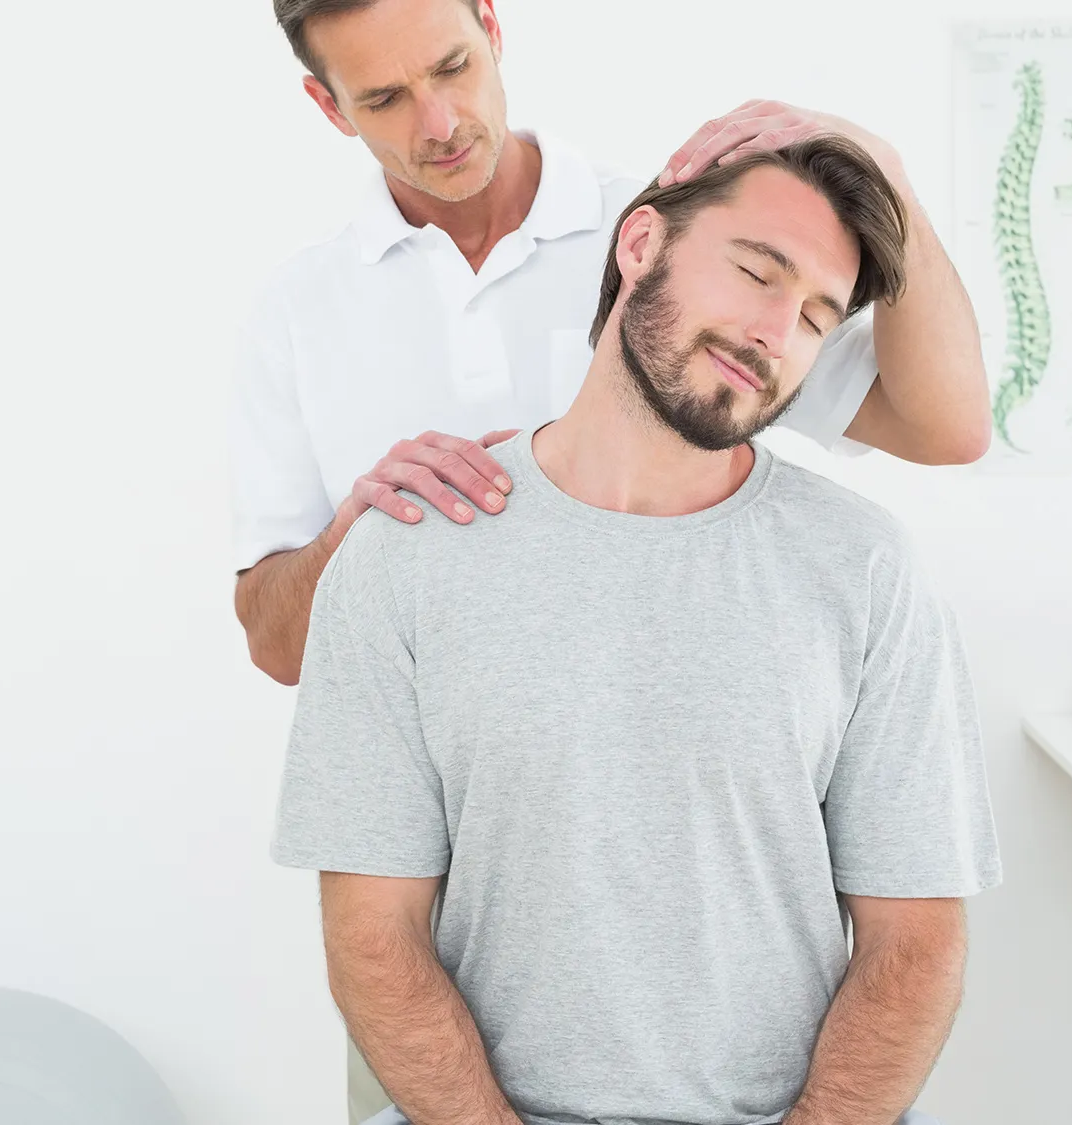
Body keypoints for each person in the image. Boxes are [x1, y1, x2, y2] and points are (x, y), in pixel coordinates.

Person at [271, 135, 1003, 1125]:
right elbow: (372, 936)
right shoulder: (410, 553)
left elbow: (913, 942)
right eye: (754, 271)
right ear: (641, 242)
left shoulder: (863, 569)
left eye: (817, 317)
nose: (773, 331)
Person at [231, 0, 992, 695]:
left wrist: (890, 178)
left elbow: (948, 428)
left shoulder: (665, 242)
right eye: (385, 99)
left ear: (491, 27)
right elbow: (277, 649)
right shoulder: (297, 310)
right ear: (329, 106)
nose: (438, 123)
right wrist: (350, 539)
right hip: (425, 810)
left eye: (452, 67)